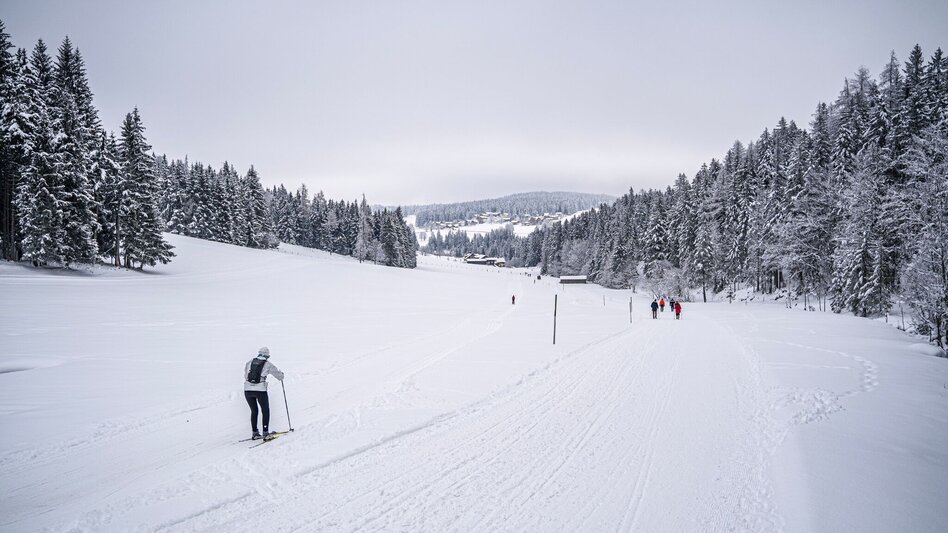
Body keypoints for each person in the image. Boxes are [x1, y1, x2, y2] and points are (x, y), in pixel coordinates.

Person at [244, 347, 285, 439]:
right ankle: (265, 432)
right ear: (267, 356)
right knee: (265, 410)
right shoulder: (268, 364)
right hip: (260, 391)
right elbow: (279, 376)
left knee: (254, 411)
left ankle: (255, 432)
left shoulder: (249, 362)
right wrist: (282, 375)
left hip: (247, 390)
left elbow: (245, 375)